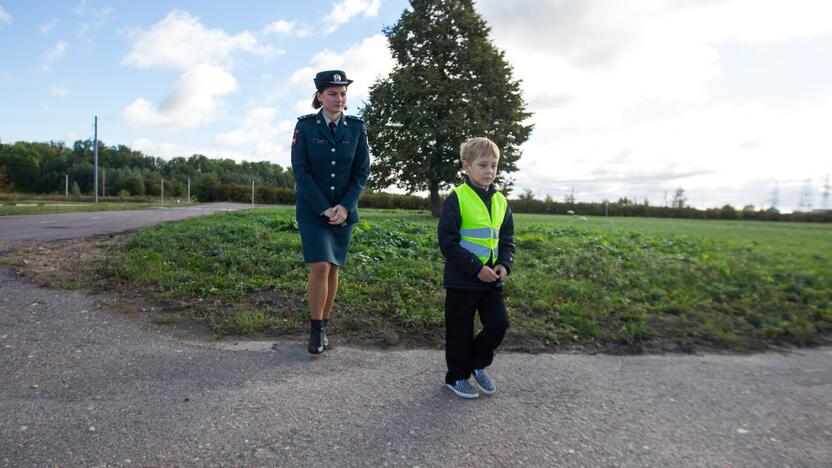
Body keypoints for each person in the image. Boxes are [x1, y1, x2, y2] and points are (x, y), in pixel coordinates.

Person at [290, 70, 370, 354]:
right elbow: (301, 170)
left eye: (343, 93)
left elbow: (361, 172)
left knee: (334, 267)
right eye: (333, 93)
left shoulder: (357, 129)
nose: (339, 98)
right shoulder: (305, 127)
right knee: (320, 265)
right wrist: (323, 207)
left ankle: (324, 324)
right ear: (319, 96)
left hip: (344, 211)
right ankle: (314, 328)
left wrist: (345, 206)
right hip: (313, 211)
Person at [437, 137, 515, 398]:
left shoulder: (501, 201)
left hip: (492, 281)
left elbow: (506, 240)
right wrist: (475, 268)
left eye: (494, 165)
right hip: (463, 279)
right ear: (466, 166)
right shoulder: (457, 198)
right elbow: (448, 243)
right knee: (459, 331)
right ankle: (457, 376)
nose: (489, 171)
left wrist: (504, 264)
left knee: (499, 324)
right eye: (483, 165)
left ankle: (478, 363)